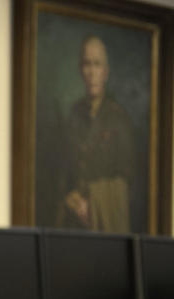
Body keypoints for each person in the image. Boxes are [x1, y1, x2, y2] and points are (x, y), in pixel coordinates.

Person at [56, 35, 135, 232]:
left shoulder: (119, 119)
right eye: (87, 64)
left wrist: (92, 204)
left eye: (97, 65)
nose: (92, 72)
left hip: (103, 226)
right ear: (81, 71)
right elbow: (63, 175)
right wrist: (69, 198)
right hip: (73, 225)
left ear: (106, 72)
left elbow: (126, 183)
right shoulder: (74, 115)